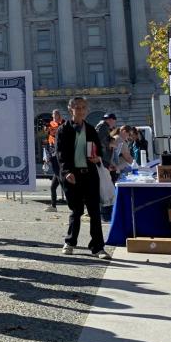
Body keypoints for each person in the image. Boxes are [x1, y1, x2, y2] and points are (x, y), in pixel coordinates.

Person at [56, 95, 109, 259]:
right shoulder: (63, 130)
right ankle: (70, 242)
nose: (80, 110)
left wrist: (98, 158)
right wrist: (67, 172)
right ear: (70, 109)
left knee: (94, 211)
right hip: (73, 176)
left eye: (83, 107)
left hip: (90, 175)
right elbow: (61, 155)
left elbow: (99, 150)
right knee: (76, 210)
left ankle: (98, 247)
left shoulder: (91, 129)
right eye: (77, 107)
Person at [44, 109, 65, 212]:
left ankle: (75, 204)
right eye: (54, 115)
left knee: (62, 182)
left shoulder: (63, 123)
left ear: (59, 115)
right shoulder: (50, 124)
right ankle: (53, 206)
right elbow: (48, 137)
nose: (55, 116)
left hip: (59, 155)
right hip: (53, 153)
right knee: (53, 186)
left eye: (57, 114)